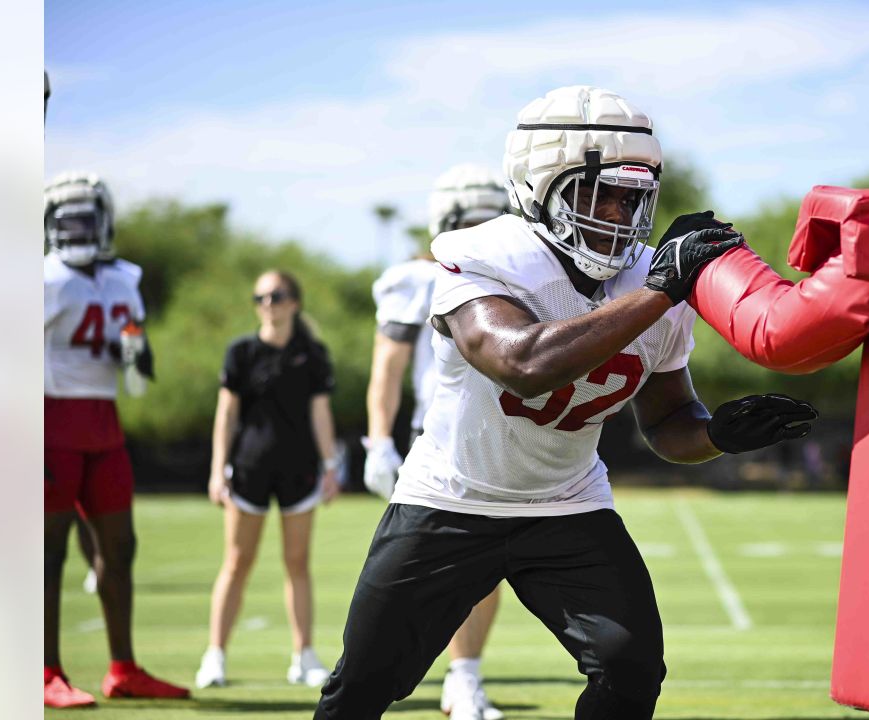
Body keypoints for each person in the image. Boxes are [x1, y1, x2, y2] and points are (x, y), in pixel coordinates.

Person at [314, 85, 818, 720]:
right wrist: (661, 290)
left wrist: (717, 433)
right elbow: (524, 365)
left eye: (632, 195)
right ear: (537, 187)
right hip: (451, 500)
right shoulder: (484, 258)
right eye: (597, 191)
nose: (618, 211)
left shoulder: (649, 285)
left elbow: (666, 424)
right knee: (362, 684)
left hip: (566, 504)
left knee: (632, 667)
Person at [363, 164, 512, 719]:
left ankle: (464, 678)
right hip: (435, 436)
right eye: (470, 221)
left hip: (497, 432)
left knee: (488, 565)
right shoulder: (417, 279)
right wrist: (378, 440)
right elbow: (387, 368)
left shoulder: (518, 273)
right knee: (409, 572)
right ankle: (371, 680)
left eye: (490, 219)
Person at [44, 172, 188, 708]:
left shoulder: (124, 278)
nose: (75, 229)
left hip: (103, 420)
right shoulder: (43, 279)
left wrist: (137, 354)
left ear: (104, 221)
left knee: (119, 548)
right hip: (50, 419)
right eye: (65, 219)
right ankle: (44, 670)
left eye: (84, 218)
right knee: (48, 551)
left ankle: (122, 668)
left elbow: (130, 347)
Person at [195, 270, 341, 689]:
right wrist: (216, 469)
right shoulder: (239, 352)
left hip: (299, 470)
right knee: (237, 563)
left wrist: (331, 467)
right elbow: (226, 414)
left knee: (297, 563)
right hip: (248, 470)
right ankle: (215, 657)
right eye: (260, 297)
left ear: (294, 301)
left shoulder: (312, 354)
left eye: (276, 296)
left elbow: (320, 413)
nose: (267, 304)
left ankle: (304, 657)